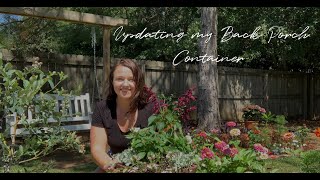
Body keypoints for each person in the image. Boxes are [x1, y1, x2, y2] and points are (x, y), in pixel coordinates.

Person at [90, 59, 155, 173]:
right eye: (120, 79)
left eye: (131, 79)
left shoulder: (151, 109)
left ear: (138, 82)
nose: (125, 84)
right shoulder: (102, 108)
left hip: (147, 167)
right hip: (114, 165)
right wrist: (110, 165)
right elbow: (97, 149)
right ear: (112, 81)